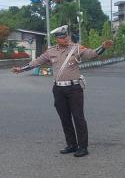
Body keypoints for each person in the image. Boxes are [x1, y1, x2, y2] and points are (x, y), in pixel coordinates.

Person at [11, 25, 113, 157]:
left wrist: (103, 47)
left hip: (74, 88)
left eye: (66, 36)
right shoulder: (51, 51)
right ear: (57, 39)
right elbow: (36, 62)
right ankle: (71, 144)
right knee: (64, 118)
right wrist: (21, 69)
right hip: (58, 89)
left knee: (78, 118)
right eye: (62, 37)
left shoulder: (76, 48)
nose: (66, 39)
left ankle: (83, 147)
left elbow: (91, 54)